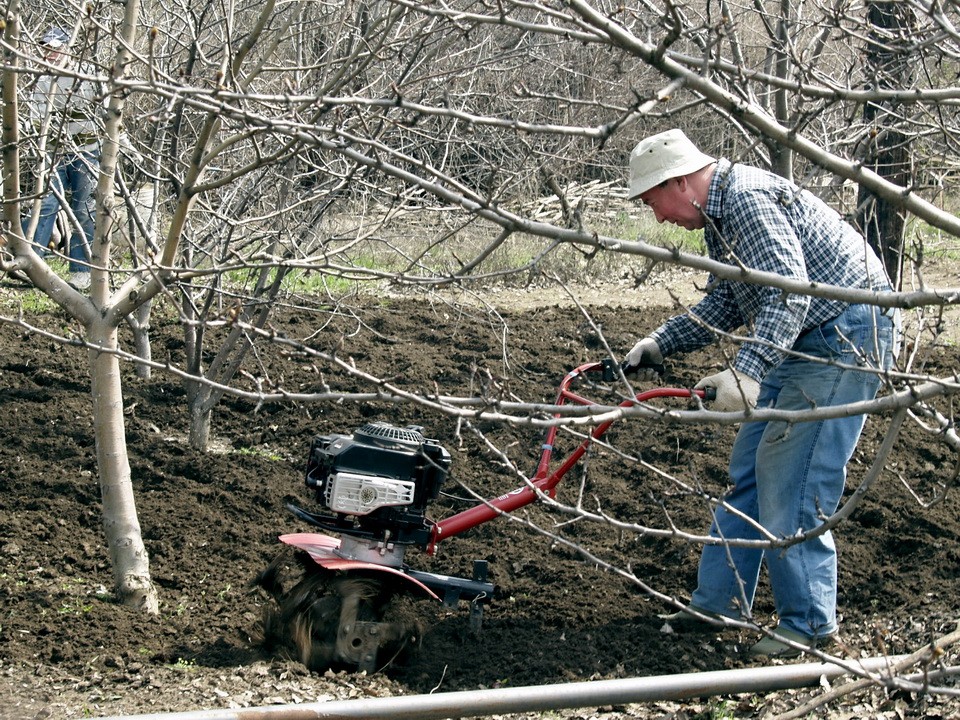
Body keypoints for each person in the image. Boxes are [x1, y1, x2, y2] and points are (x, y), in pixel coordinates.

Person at [622, 128, 897, 658]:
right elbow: (727, 305)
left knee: (793, 481)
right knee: (748, 475)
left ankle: (811, 627)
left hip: (845, 335)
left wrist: (747, 373)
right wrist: (661, 343)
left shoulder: (745, 199)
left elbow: (790, 295)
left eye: (653, 201)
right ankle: (717, 604)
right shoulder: (717, 219)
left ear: (680, 182)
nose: (656, 217)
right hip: (801, 340)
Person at [21, 26, 102, 290]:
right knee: (44, 205)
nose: (51, 53)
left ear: (67, 49)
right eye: (47, 48)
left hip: (86, 152)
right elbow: (35, 121)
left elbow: (101, 114)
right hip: (53, 154)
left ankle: (81, 270)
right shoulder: (40, 80)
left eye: (56, 48)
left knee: (83, 209)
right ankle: (31, 263)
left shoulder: (85, 76)